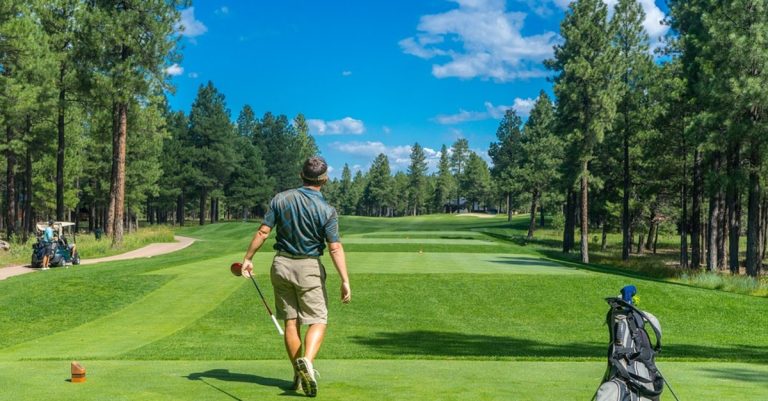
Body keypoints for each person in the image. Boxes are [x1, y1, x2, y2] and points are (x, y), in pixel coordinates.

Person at [241, 156, 351, 398]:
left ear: (301, 175)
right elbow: (334, 248)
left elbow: (263, 232)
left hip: (281, 265)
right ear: (325, 179)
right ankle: (307, 363)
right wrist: (345, 280)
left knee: (291, 322)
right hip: (308, 267)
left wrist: (248, 258)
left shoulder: (281, 199)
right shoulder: (327, 210)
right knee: (318, 319)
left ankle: (298, 375)